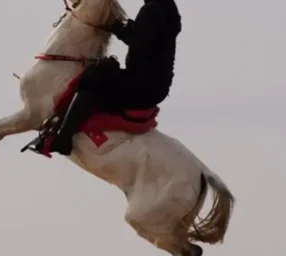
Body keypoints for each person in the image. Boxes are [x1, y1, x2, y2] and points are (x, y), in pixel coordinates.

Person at [35, 0, 182, 156]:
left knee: (93, 77)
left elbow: (139, 42)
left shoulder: (153, 10)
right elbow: (150, 39)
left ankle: (64, 139)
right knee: (102, 72)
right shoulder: (166, 7)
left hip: (141, 84)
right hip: (154, 85)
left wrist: (115, 27)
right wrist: (126, 28)